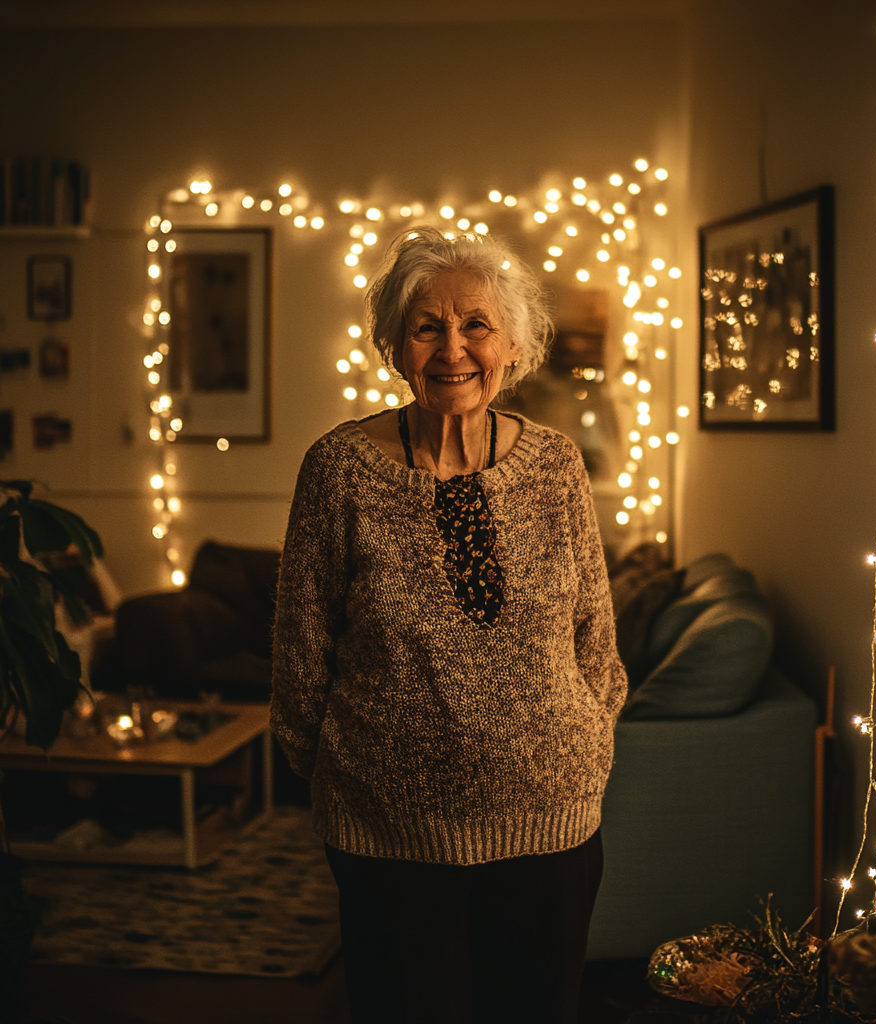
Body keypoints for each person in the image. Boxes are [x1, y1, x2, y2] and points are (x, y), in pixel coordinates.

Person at [270, 227, 627, 1024]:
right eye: (427, 325)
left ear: (512, 344)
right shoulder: (337, 469)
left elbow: (595, 638)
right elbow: (300, 649)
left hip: (551, 827)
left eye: (476, 326)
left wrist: (583, 743)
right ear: (396, 345)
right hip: (387, 836)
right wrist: (334, 769)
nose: (452, 348)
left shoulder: (558, 466)